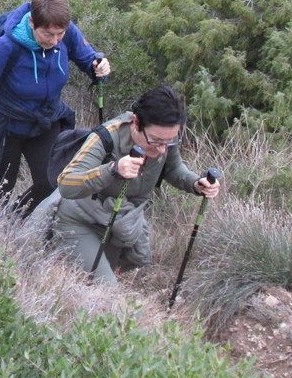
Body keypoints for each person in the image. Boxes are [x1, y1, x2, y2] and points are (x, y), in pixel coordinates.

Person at [43, 84, 221, 285]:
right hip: (80, 220)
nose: (162, 150)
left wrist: (196, 184)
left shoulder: (164, 138)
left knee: (94, 286)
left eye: (170, 141)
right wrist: (112, 169)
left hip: (118, 222)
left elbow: (173, 168)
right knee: (106, 289)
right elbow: (66, 183)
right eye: (155, 141)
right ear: (136, 122)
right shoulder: (105, 137)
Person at [0, 0, 110, 216]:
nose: (54, 41)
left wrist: (98, 67)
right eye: (47, 34)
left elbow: (87, 59)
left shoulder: (65, 34)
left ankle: (15, 221)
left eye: (59, 34)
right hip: (7, 124)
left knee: (51, 181)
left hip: (44, 120)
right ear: (32, 22)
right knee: (4, 185)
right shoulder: (6, 47)